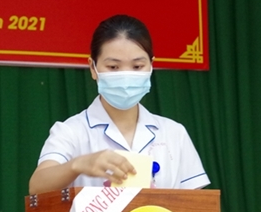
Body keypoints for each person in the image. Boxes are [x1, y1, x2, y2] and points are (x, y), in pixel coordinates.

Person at [29, 14, 210, 195]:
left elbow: (197, 207)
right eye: (113, 67)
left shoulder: (174, 133)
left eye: (137, 66)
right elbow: (37, 186)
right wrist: (79, 164)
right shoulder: (71, 131)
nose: (125, 76)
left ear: (151, 66)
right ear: (93, 68)